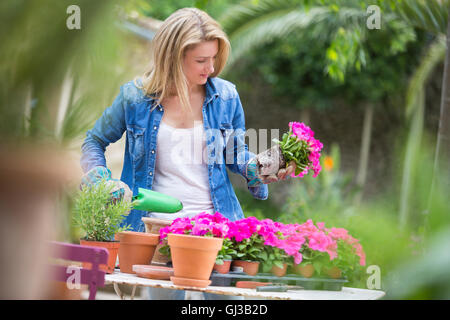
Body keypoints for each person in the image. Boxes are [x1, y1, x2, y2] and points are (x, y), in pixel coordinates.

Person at [80, 7, 296, 300]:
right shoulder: (134, 98)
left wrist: (260, 168)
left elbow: (236, 155)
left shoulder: (226, 96)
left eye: (214, 59)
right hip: (157, 231)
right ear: (173, 57)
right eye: (201, 61)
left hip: (216, 230)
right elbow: (93, 141)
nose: (211, 69)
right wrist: (102, 181)